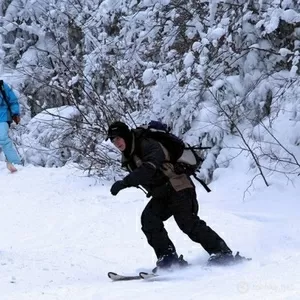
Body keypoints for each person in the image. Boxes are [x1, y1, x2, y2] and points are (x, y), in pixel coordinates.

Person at [106, 121, 237, 271]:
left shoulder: (147, 143)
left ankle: (222, 252)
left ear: (125, 136)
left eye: (118, 138)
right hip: (162, 193)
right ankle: (168, 259)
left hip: (178, 185)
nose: (116, 143)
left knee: (187, 222)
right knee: (149, 220)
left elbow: (150, 167)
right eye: (112, 140)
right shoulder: (128, 155)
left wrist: (125, 182)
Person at [0, 80, 22, 166]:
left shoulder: (1, 86)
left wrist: (15, 113)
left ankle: (16, 163)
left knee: (3, 138)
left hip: (3, 116)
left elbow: (12, 100)